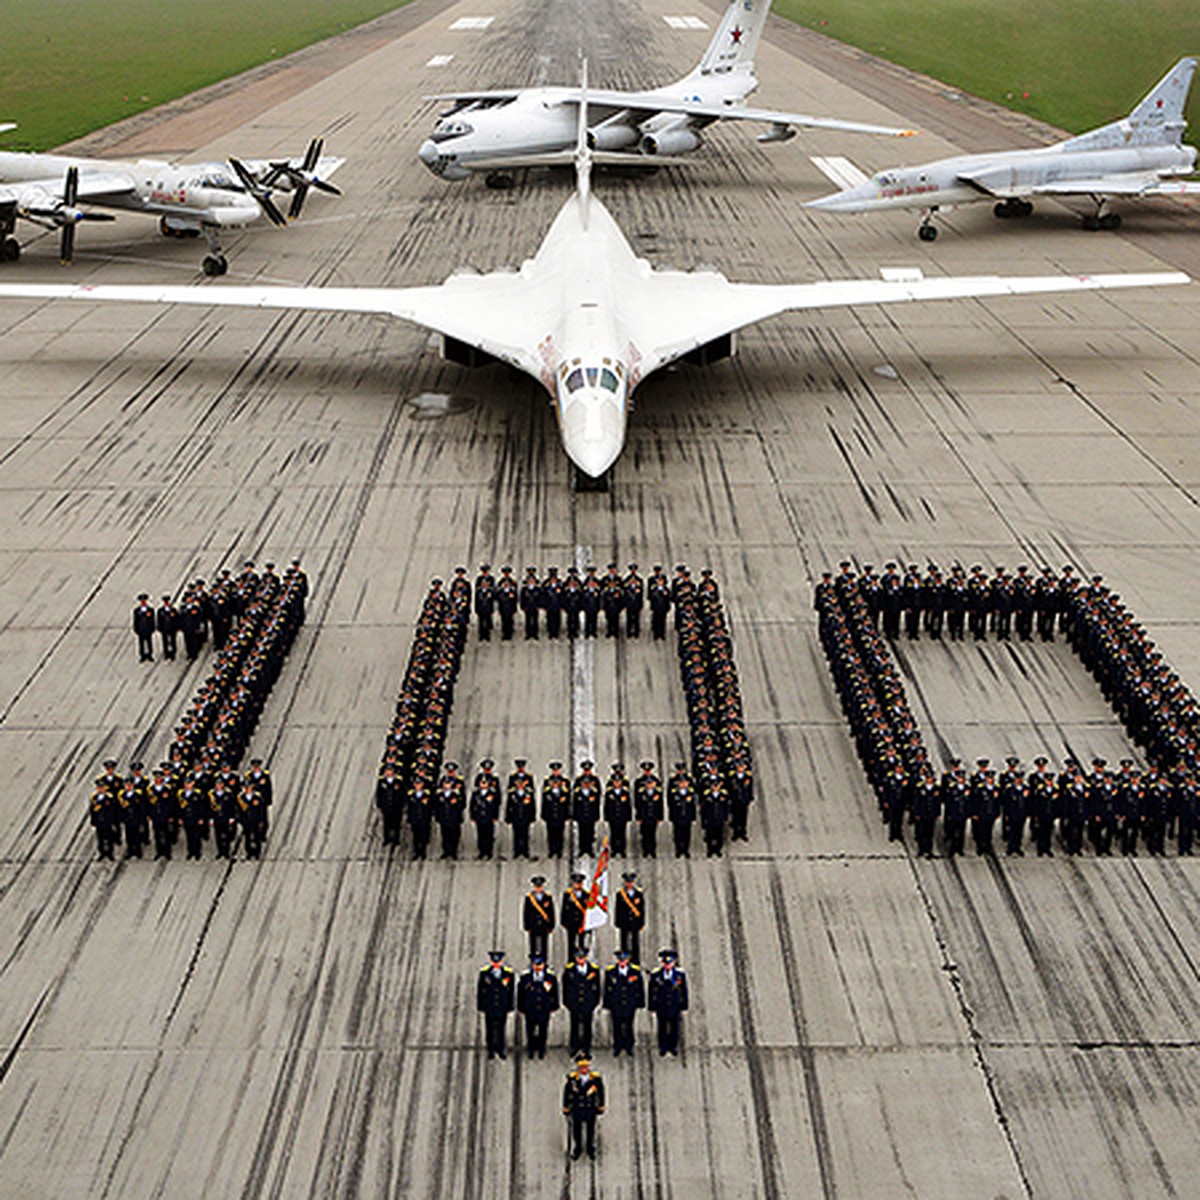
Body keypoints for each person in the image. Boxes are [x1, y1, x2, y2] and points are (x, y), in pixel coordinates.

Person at [563, 1053, 605, 1160]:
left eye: (585, 1067)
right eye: (581, 1067)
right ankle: (578, 1148)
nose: (584, 1069)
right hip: (577, 1108)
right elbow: (566, 1093)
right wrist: (566, 1107)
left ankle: (590, 1148)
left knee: (590, 1130)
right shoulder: (573, 1079)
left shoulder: (595, 1079)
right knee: (577, 1130)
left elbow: (601, 1092)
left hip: (590, 1108)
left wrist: (601, 1105)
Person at [647, 949, 689, 1056]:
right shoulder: (656, 975)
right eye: (665, 963)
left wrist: (684, 1004)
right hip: (661, 1005)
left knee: (674, 1027)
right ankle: (663, 1047)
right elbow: (651, 991)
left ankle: (673, 1046)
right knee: (662, 1027)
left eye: (670, 963)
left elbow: (683, 990)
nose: (667, 965)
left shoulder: (680, 975)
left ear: (674, 962)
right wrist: (652, 1005)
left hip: (675, 1005)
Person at [603, 947, 644, 1056]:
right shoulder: (610, 972)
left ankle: (629, 1045)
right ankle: (618, 1045)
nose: (622, 962)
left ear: (628, 960)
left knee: (629, 1024)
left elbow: (639, 988)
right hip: (616, 1003)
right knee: (616, 1025)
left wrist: (640, 1002)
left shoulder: (635, 971)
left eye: (624, 960)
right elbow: (606, 989)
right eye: (620, 960)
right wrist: (607, 1003)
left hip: (630, 1002)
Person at [517, 953, 559, 1059]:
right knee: (530, 1029)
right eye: (535, 965)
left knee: (543, 1030)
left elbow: (555, 993)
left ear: (544, 965)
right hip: (530, 1008)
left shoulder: (550, 977)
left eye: (540, 965)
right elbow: (520, 993)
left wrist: (554, 1006)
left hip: (544, 1007)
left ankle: (541, 1049)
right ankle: (530, 1049)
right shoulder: (525, 977)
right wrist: (521, 1006)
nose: (538, 967)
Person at [477, 950, 516, 1060]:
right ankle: (490, 1049)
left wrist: (510, 1005)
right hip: (489, 1005)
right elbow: (481, 991)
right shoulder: (484, 974)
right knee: (489, 1028)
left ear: (502, 961)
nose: (496, 964)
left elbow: (511, 991)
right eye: (494, 962)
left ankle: (501, 1048)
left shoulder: (508, 974)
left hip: (502, 1005)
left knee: (501, 1028)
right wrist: (481, 1005)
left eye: (498, 962)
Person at [562, 947, 601, 1056]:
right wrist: (567, 1002)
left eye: (583, 958)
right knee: (574, 1026)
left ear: (586, 958)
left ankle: (586, 1047)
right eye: (579, 958)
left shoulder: (593, 970)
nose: (581, 960)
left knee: (587, 1026)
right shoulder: (569, 970)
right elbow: (566, 987)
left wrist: (594, 1002)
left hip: (588, 1002)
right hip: (574, 1002)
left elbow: (597, 987)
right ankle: (574, 1046)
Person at [506, 760, 537, 859]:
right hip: (515, 810)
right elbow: (509, 797)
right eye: (518, 766)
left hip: (526, 811)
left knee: (525, 833)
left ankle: (525, 851)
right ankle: (517, 851)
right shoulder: (512, 777)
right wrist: (508, 815)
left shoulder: (529, 777)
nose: (520, 768)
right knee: (516, 833)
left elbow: (532, 796)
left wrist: (533, 814)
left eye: (522, 766)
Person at [470, 759, 500, 859]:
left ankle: (489, 852)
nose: (487, 770)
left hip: (489, 814)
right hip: (479, 815)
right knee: (480, 834)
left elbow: (497, 799)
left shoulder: (495, 779)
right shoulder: (479, 778)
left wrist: (495, 815)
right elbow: (472, 803)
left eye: (489, 769)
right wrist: (472, 815)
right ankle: (481, 852)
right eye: (485, 769)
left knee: (489, 834)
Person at [614, 871, 645, 964]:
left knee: (635, 943)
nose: (629, 884)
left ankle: (635, 961)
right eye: (627, 882)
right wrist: (618, 922)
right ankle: (624, 960)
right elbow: (618, 909)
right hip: (624, 922)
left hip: (635, 922)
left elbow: (642, 909)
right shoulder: (620, 894)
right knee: (624, 942)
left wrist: (642, 922)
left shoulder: (639, 894)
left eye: (631, 881)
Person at [436, 762, 466, 859]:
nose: (450, 773)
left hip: (455, 813)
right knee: (445, 834)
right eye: (449, 771)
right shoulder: (442, 781)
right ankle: (446, 851)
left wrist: (459, 809)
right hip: (444, 813)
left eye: (452, 771)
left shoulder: (459, 782)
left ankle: (454, 851)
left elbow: (462, 798)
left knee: (454, 833)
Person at [541, 762, 571, 859]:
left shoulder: (565, 781)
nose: (556, 772)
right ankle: (551, 850)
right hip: (550, 811)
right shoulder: (547, 781)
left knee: (560, 832)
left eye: (557, 770)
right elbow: (544, 798)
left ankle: (559, 851)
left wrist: (568, 813)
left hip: (561, 811)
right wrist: (543, 813)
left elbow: (568, 798)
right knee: (550, 832)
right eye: (554, 770)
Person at [634, 761, 663, 858]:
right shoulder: (638, 782)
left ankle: (652, 850)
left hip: (653, 814)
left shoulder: (657, 781)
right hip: (644, 813)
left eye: (648, 770)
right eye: (645, 770)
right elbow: (637, 800)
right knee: (645, 833)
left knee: (653, 833)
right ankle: (645, 850)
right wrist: (638, 815)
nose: (647, 772)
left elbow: (660, 802)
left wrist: (660, 816)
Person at [667, 763, 696, 858]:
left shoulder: (690, 782)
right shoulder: (673, 782)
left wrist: (693, 816)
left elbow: (693, 803)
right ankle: (678, 849)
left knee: (687, 833)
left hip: (687, 814)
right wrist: (671, 814)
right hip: (677, 814)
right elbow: (670, 800)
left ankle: (686, 849)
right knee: (677, 833)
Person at [523, 876, 556, 959]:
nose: (538, 888)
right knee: (533, 946)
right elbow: (526, 912)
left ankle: (544, 963)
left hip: (544, 925)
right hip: (533, 925)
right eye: (536, 887)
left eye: (540, 886)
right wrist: (526, 926)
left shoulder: (548, 897)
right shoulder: (529, 898)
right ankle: (533, 963)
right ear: (534, 887)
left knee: (544, 945)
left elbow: (551, 912)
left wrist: (551, 925)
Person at [572, 761, 601, 856]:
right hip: (581, 811)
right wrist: (575, 814)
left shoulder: (595, 780)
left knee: (590, 831)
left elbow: (598, 797)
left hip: (591, 811)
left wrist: (597, 814)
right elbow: (575, 797)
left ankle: (589, 849)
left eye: (588, 770)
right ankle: (582, 849)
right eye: (585, 770)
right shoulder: (578, 780)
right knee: (581, 832)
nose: (587, 771)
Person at [603, 763, 632, 856]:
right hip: (613, 815)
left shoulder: (625, 788)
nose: (617, 783)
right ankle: (614, 850)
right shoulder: (610, 790)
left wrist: (629, 816)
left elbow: (628, 804)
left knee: (622, 833)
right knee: (613, 833)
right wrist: (606, 816)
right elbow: (606, 804)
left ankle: (622, 850)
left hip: (622, 815)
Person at [376, 763, 405, 847]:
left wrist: (401, 804)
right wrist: (380, 804)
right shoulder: (382, 781)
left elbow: (402, 793)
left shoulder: (398, 781)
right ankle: (386, 839)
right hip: (386, 805)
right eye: (387, 771)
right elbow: (379, 794)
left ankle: (396, 839)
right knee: (386, 823)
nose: (389, 772)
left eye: (390, 771)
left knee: (396, 822)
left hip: (396, 806)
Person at [561, 873, 589, 958]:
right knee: (571, 943)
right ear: (573, 883)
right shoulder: (568, 894)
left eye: (580, 883)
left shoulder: (586, 894)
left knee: (582, 944)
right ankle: (571, 962)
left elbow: (589, 910)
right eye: (576, 883)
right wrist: (563, 921)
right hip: (571, 922)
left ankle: (582, 961)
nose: (578, 885)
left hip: (582, 922)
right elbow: (564, 908)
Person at [88, 787, 117, 860]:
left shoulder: (109, 797)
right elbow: (92, 810)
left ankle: (110, 853)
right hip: (99, 821)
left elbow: (113, 810)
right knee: (100, 838)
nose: (100, 789)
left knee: (109, 837)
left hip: (107, 821)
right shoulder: (94, 798)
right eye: (99, 788)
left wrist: (112, 820)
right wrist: (93, 821)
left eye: (102, 788)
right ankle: (102, 852)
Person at [133, 593, 156, 662]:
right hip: (141, 629)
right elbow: (135, 620)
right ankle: (142, 655)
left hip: (148, 628)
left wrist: (152, 628)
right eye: (142, 601)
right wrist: (136, 629)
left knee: (149, 642)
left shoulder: (150, 610)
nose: (143, 602)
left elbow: (152, 619)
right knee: (141, 643)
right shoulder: (137, 611)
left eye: (144, 600)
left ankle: (150, 654)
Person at [156, 595, 178, 661]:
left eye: (167, 601)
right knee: (165, 641)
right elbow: (159, 620)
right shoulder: (160, 611)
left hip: (172, 628)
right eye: (165, 602)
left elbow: (176, 619)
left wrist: (176, 627)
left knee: (173, 641)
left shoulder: (173, 610)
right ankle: (166, 653)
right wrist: (160, 628)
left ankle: (173, 653)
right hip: (164, 628)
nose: (166, 603)